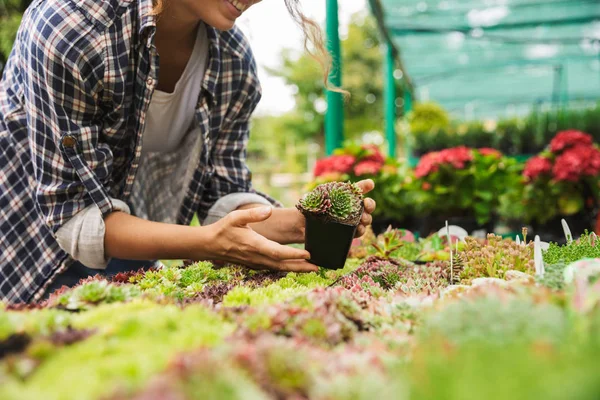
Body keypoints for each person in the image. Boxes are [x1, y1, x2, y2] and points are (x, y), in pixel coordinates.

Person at [0, 0, 376, 304]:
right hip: (26, 256)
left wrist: (300, 222)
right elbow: (75, 213)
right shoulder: (73, 25)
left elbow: (222, 196)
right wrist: (210, 243)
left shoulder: (232, 58)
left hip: (138, 239)